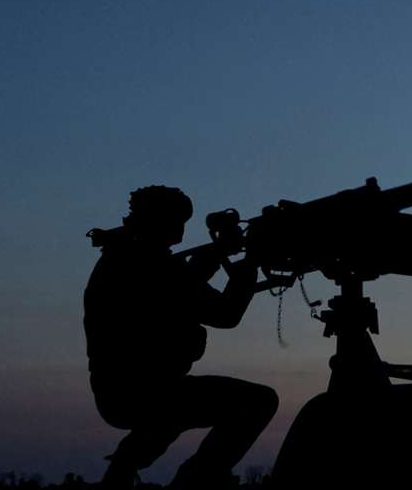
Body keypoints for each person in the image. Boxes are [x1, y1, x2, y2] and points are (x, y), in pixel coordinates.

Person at [84, 186, 278, 488]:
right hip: (145, 392)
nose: (182, 231)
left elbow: (182, 284)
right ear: (160, 223)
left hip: (124, 392)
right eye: (177, 221)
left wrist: (219, 253)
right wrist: (249, 266)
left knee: (170, 414)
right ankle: (194, 483)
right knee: (258, 402)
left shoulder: (123, 259)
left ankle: (121, 471)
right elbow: (224, 313)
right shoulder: (151, 267)